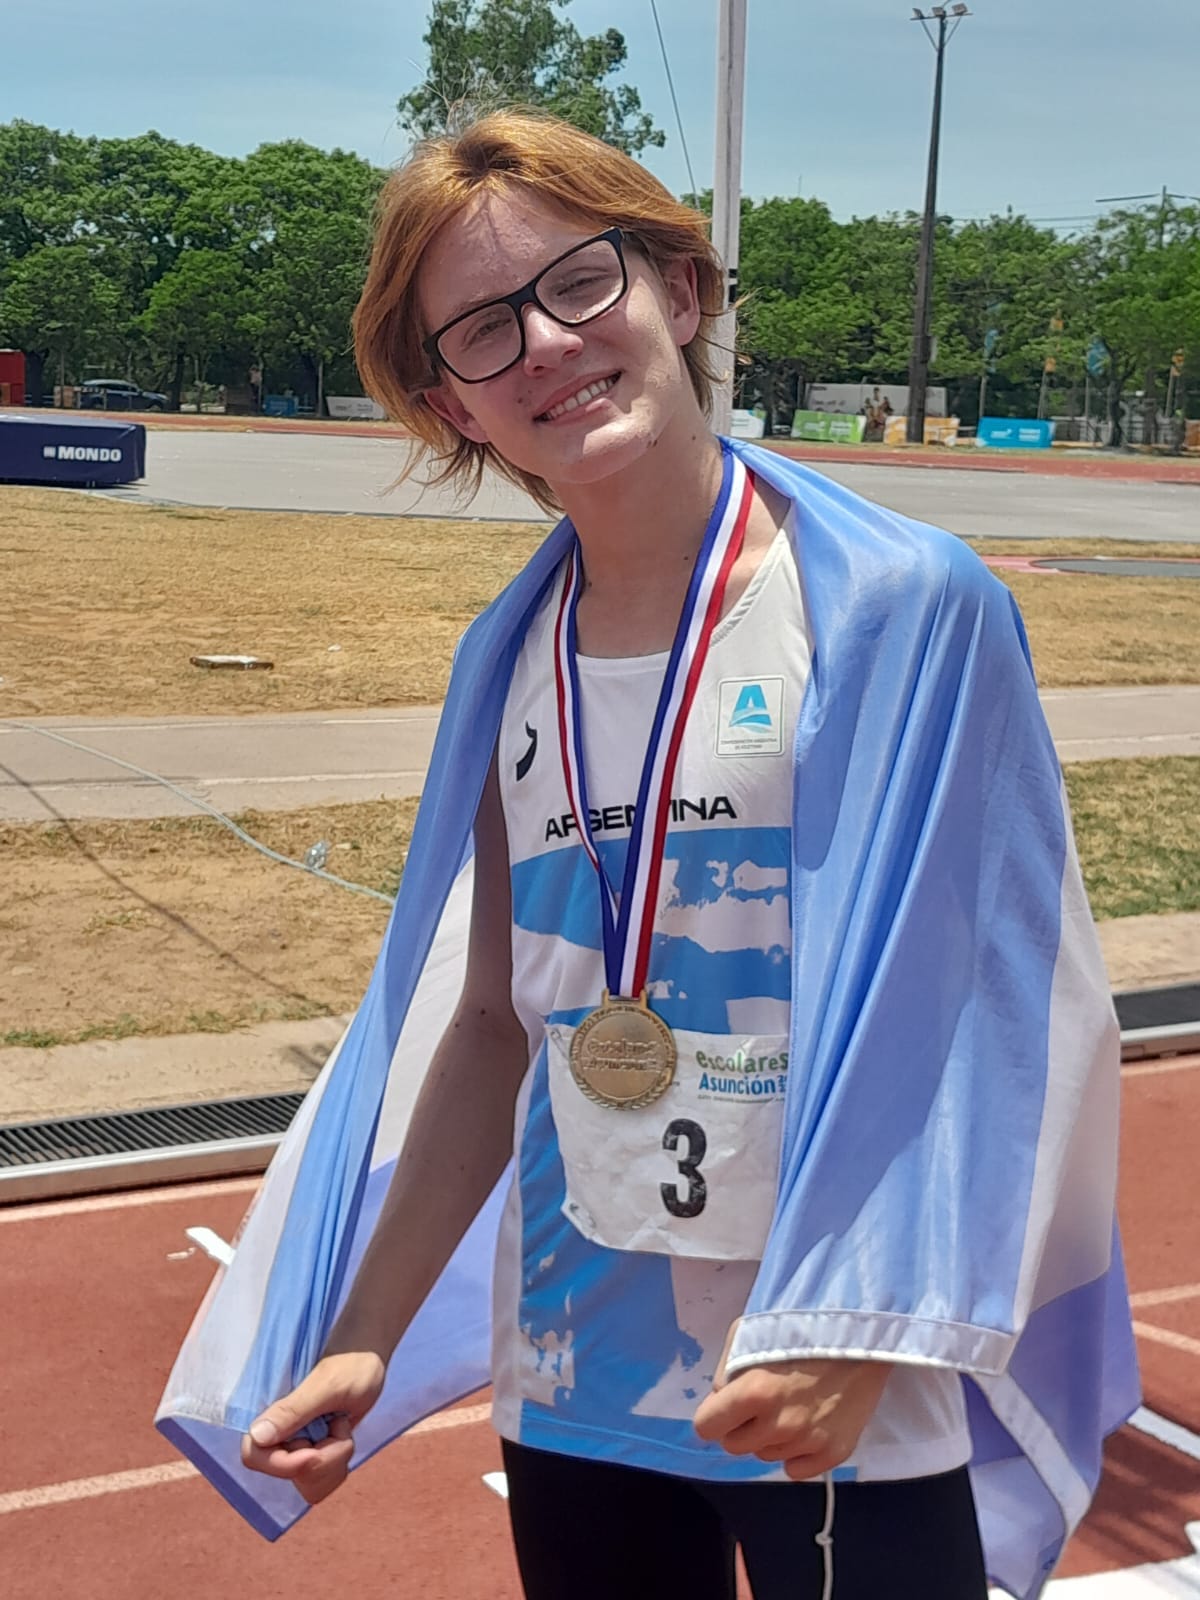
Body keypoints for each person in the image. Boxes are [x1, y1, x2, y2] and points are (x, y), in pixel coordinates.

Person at [159, 109, 1137, 1600]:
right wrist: (363, 1323)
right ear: (451, 404)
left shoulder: (897, 609)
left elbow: (993, 1008)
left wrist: (861, 1330)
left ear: (680, 294)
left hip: (820, 1377)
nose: (545, 344)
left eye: (579, 282)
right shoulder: (505, 662)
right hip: (572, 1368)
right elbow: (496, 1023)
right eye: (481, 330)